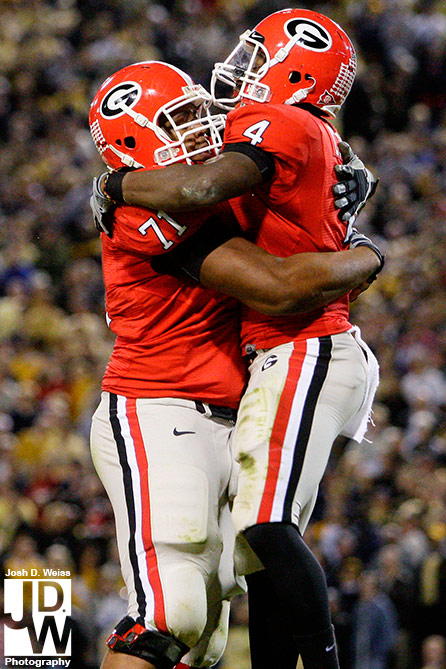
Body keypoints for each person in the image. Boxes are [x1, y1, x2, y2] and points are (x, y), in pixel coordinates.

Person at [90, 26, 383, 669]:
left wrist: (349, 174)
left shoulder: (227, 170)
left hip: (230, 407)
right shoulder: (145, 206)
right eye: (179, 121)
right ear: (135, 144)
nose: (203, 127)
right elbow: (277, 287)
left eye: (197, 111)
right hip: (160, 405)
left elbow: (296, 159)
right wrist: (366, 253)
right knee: (171, 613)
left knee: (209, 637)